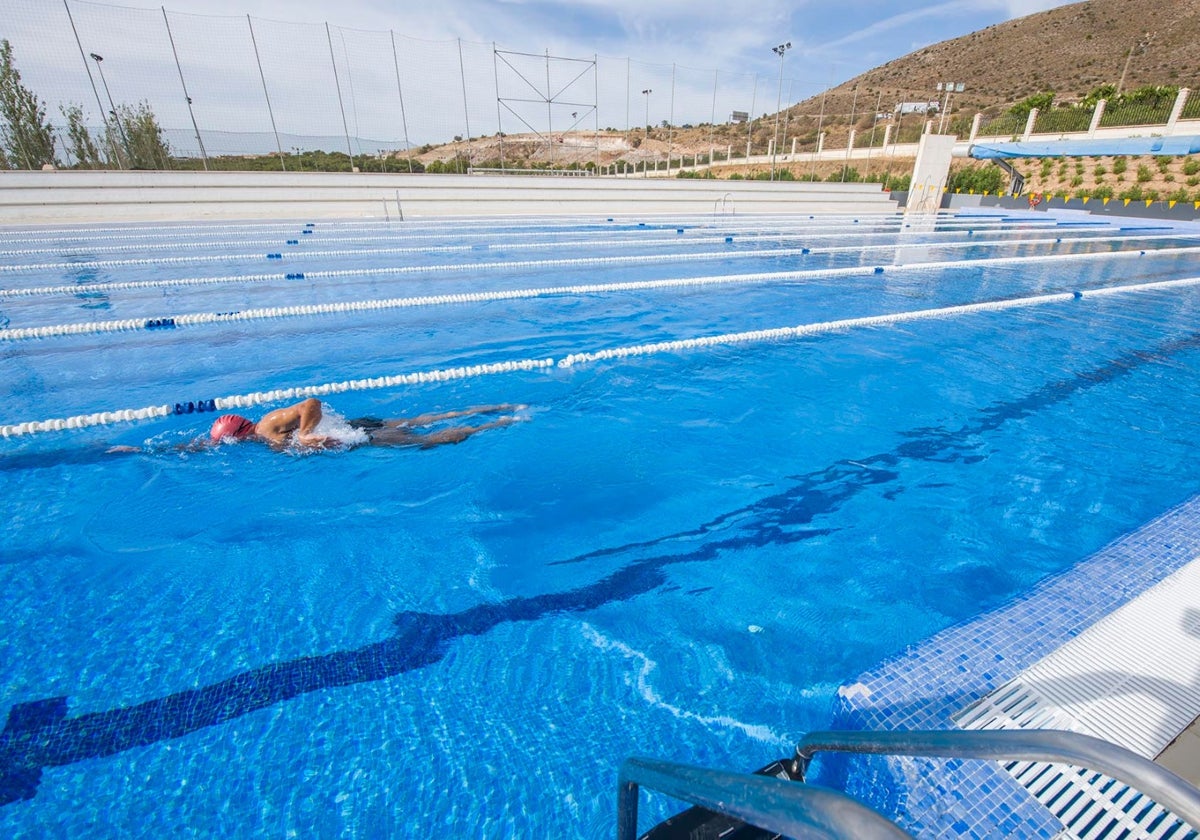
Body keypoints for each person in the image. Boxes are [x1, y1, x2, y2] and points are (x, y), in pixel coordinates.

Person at [208, 397, 524, 450]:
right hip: (351, 427)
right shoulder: (264, 436)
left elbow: (311, 403)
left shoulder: (265, 426)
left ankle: (498, 422)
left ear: (237, 434)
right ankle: (500, 408)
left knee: (427, 440)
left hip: (356, 434)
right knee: (420, 422)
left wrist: (304, 436)